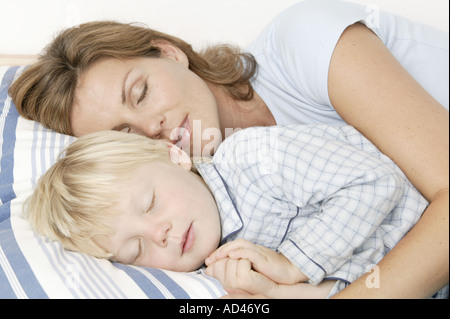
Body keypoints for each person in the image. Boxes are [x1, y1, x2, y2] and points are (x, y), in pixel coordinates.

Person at [9, 0, 449, 298]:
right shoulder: (213, 215)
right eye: (126, 134)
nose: (152, 127)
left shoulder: (303, 42)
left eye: (141, 93)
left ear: (169, 53)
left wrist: (297, 267)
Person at [25, 127, 448, 298]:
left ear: (174, 155)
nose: (161, 233)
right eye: (136, 250)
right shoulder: (216, 277)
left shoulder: (252, 158)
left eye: (150, 203)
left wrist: (293, 263)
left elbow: (375, 181)